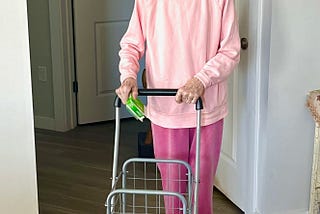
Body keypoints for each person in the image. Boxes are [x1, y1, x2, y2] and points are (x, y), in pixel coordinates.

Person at [115, 0, 240, 213]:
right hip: (166, 110)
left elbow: (230, 50)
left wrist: (201, 79)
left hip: (207, 110)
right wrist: (128, 76)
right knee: (172, 192)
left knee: (201, 189)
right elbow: (131, 45)